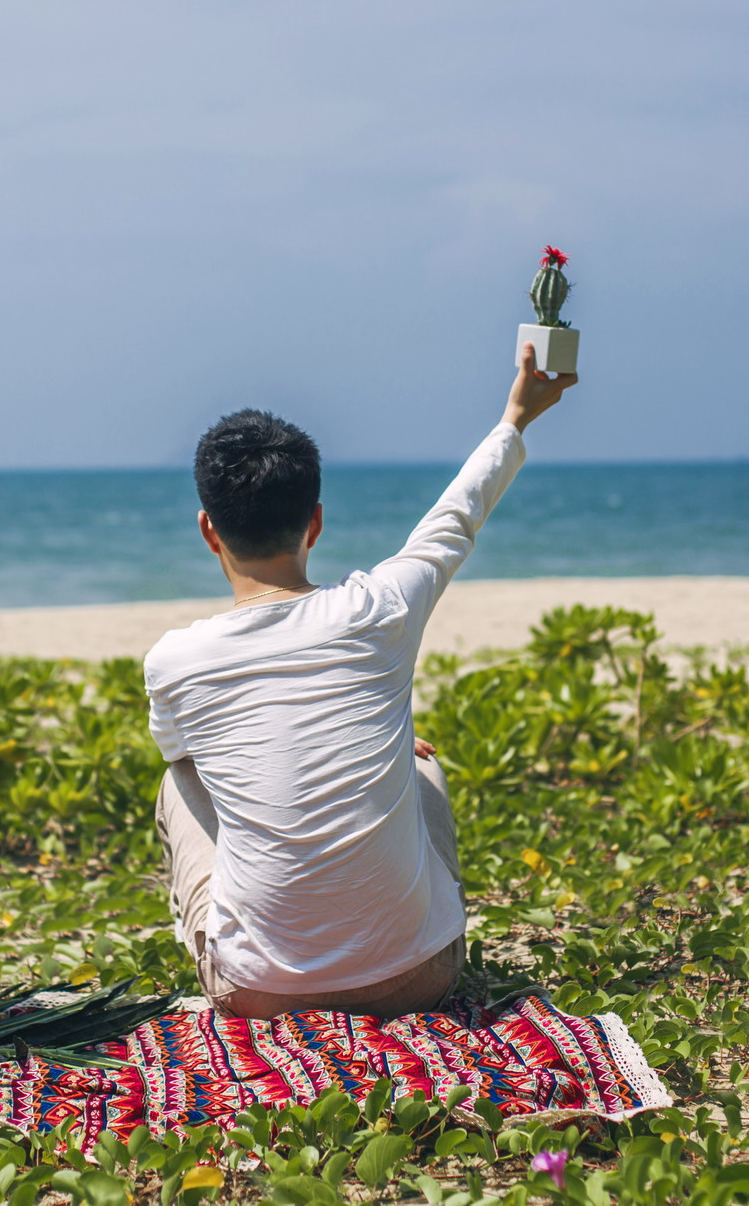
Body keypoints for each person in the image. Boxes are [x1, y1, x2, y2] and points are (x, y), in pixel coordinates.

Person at [146, 343, 577, 1019]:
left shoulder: (174, 660)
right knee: (423, 768)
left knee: (179, 779)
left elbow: (189, 756)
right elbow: (456, 517)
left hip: (254, 993)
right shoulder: (381, 609)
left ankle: (226, 940)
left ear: (208, 530)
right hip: (419, 978)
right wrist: (515, 418)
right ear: (314, 522)